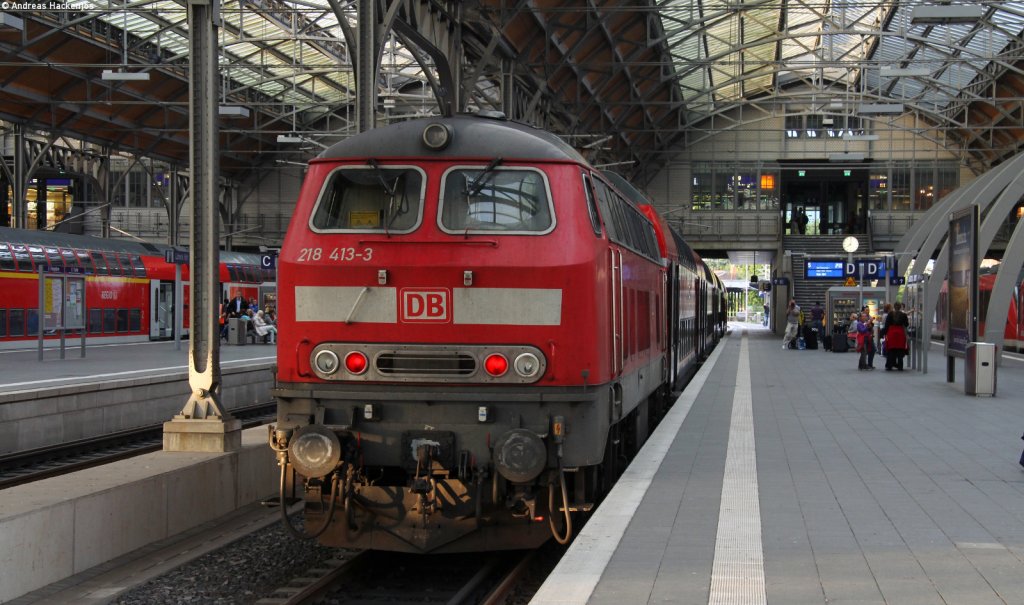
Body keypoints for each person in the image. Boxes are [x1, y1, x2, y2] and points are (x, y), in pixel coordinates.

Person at [884, 302, 910, 371]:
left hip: (891, 333)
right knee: (900, 350)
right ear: (900, 307)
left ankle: (889, 366)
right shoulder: (903, 315)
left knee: (891, 350)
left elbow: (886, 325)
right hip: (900, 333)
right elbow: (906, 324)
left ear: (894, 307)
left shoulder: (890, 314)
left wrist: (884, 334)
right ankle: (900, 366)